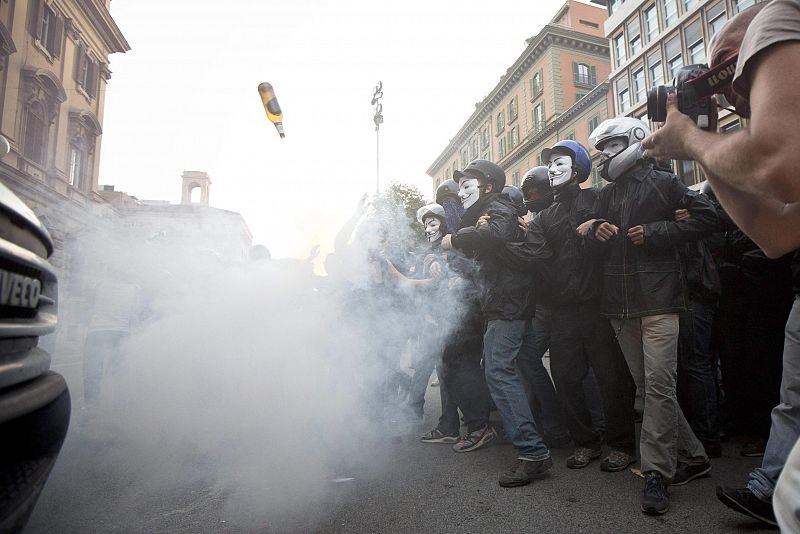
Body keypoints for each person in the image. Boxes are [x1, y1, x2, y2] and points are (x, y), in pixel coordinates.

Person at [640, 2, 800, 525]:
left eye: (727, 68)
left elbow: (777, 162)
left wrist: (693, 138)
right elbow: (777, 233)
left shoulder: (778, 14)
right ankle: (772, 487)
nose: (729, 89)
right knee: (792, 407)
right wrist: (703, 145)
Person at [587, 117, 717, 515]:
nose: (606, 155)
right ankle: (693, 457)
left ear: (633, 140)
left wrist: (659, 231)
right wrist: (593, 229)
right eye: (602, 147)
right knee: (649, 387)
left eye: (612, 145)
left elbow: (712, 215)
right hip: (621, 305)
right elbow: (588, 233)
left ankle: (657, 472)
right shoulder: (607, 192)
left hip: (660, 300)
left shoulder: (664, 181)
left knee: (658, 387)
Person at [442, 159, 552, 487]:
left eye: (467, 186)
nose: (461, 194)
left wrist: (456, 240)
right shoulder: (483, 213)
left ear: (488, 186)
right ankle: (555, 431)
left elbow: (499, 232)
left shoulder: (498, 205)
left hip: (508, 306)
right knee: (524, 367)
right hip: (504, 304)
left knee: (498, 371)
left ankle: (533, 452)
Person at [534, 140, 637, 473]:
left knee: (612, 378)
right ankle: (586, 442)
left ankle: (621, 445)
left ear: (577, 169)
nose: (552, 170)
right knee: (565, 378)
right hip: (562, 310)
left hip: (598, 305)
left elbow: (617, 236)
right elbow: (540, 259)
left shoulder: (597, 198)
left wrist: (593, 228)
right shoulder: (544, 215)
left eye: (560, 164)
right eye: (550, 165)